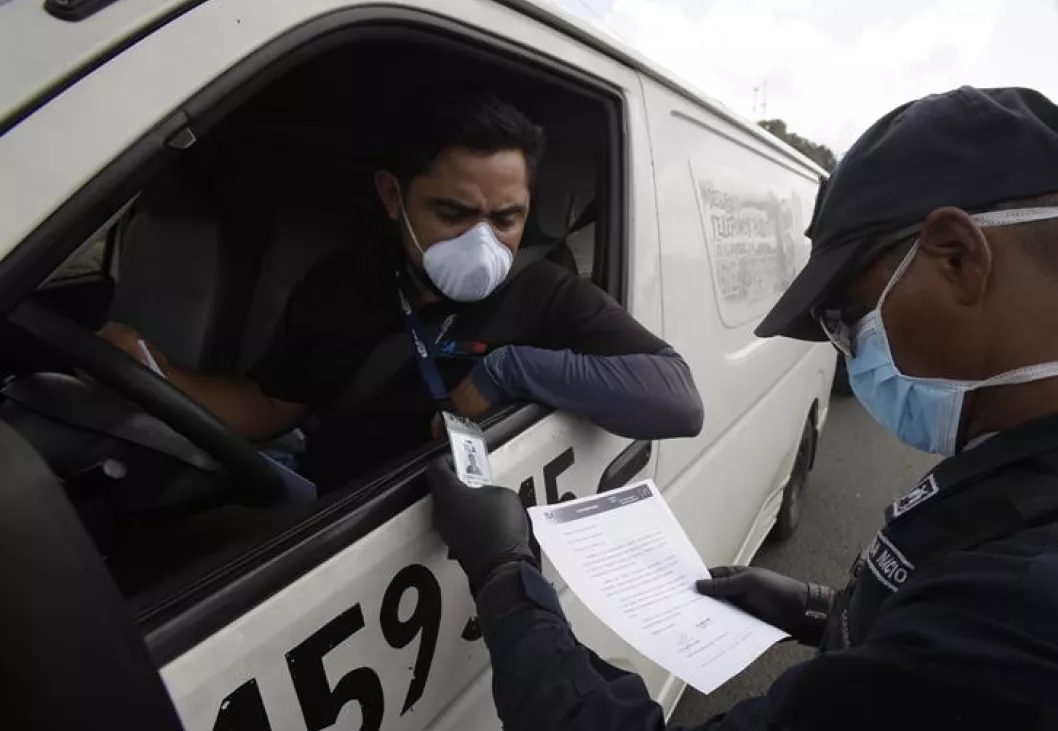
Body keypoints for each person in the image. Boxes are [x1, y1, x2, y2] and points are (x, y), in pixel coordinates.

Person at [424, 86, 1058, 731]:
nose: (850, 353)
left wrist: (505, 575)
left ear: (959, 256)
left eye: (849, 315)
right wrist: (822, 613)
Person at [99, 94, 702, 492]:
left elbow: (678, 400)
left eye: (507, 218)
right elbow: (270, 406)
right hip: (330, 519)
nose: (483, 242)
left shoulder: (547, 294)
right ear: (393, 198)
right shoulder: (343, 282)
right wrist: (158, 373)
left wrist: (507, 370)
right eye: (453, 212)